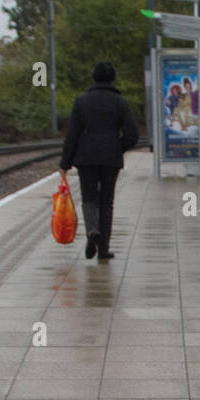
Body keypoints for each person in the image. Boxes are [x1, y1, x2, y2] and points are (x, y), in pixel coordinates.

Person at [59, 61, 139, 261]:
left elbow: (72, 134)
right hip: (110, 159)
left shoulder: (82, 100)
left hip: (86, 158)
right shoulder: (119, 102)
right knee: (107, 202)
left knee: (88, 198)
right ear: (112, 79)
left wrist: (65, 163)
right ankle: (103, 249)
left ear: (94, 77)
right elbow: (132, 134)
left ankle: (92, 230)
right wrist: (116, 147)